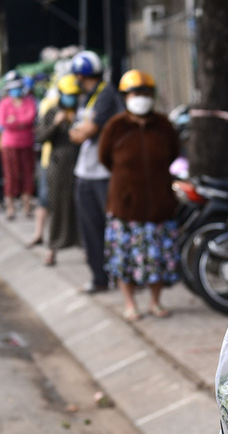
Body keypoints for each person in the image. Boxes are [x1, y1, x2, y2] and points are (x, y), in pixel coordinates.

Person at [98, 70, 181, 322]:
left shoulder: (164, 125)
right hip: (126, 208)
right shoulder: (116, 126)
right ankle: (130, 303)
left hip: (160, 206)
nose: (140, 98)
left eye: (145, 93)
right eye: (135, 93)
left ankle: (155, 302)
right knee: (125, 260)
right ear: (125, 97)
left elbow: (173, 153)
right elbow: (104, 158)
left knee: (158, 258)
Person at [68, 50, 124, 294]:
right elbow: (79, 133)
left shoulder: (105, 95)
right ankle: (99, 277)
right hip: (85, 173)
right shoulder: (86, 98)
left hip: (104, 174)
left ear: (82, 75)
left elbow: (83, 133)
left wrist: (78, 130)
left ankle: (123, 277)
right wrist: (79, 130)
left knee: (113, 228)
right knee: (89, 229)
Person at [30, 74, 81, 266]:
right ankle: (52, 250)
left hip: (78, 168)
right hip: (57, 168)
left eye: (75, 94)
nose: (72, 98)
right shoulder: (52, 112)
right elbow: (41, 137)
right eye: (69, 94)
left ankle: (84, 247)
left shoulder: (82, 112)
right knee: (56, 208)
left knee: (79, 209)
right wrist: (56, 123)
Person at [0, 71, 38, 220]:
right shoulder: (4, 103)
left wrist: (15, 121)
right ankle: (11, 208)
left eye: (18, 87)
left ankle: (27, 206)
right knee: (10, 175)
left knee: (27, 175)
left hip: (27, 143)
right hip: (9, 145)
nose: (16, 90)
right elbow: (4, 121)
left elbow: (30, 117)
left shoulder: (29, 101)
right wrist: (19, 122)